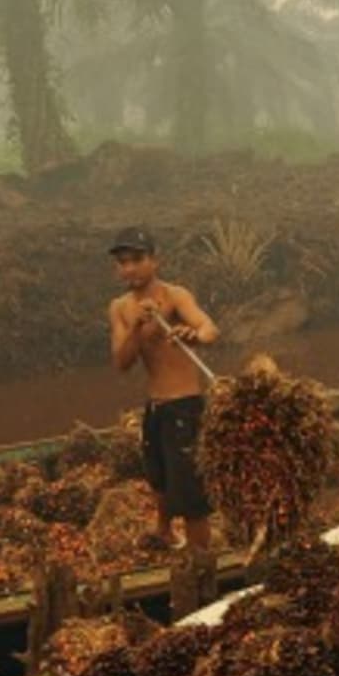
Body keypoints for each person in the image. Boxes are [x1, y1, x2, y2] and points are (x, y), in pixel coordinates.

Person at [106, 226, 220, 569]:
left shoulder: (175, 296)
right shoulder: (120, 308)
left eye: (137, 260)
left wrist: (193, 334)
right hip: (155, 407)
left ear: (154, 261)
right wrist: (138, 328)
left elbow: (209, 329)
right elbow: (122, 363)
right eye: (122, 262)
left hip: (185, 404)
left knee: (190, 494)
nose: (129, 269)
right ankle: (165, 533)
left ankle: (200, 561)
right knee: (158, 479)